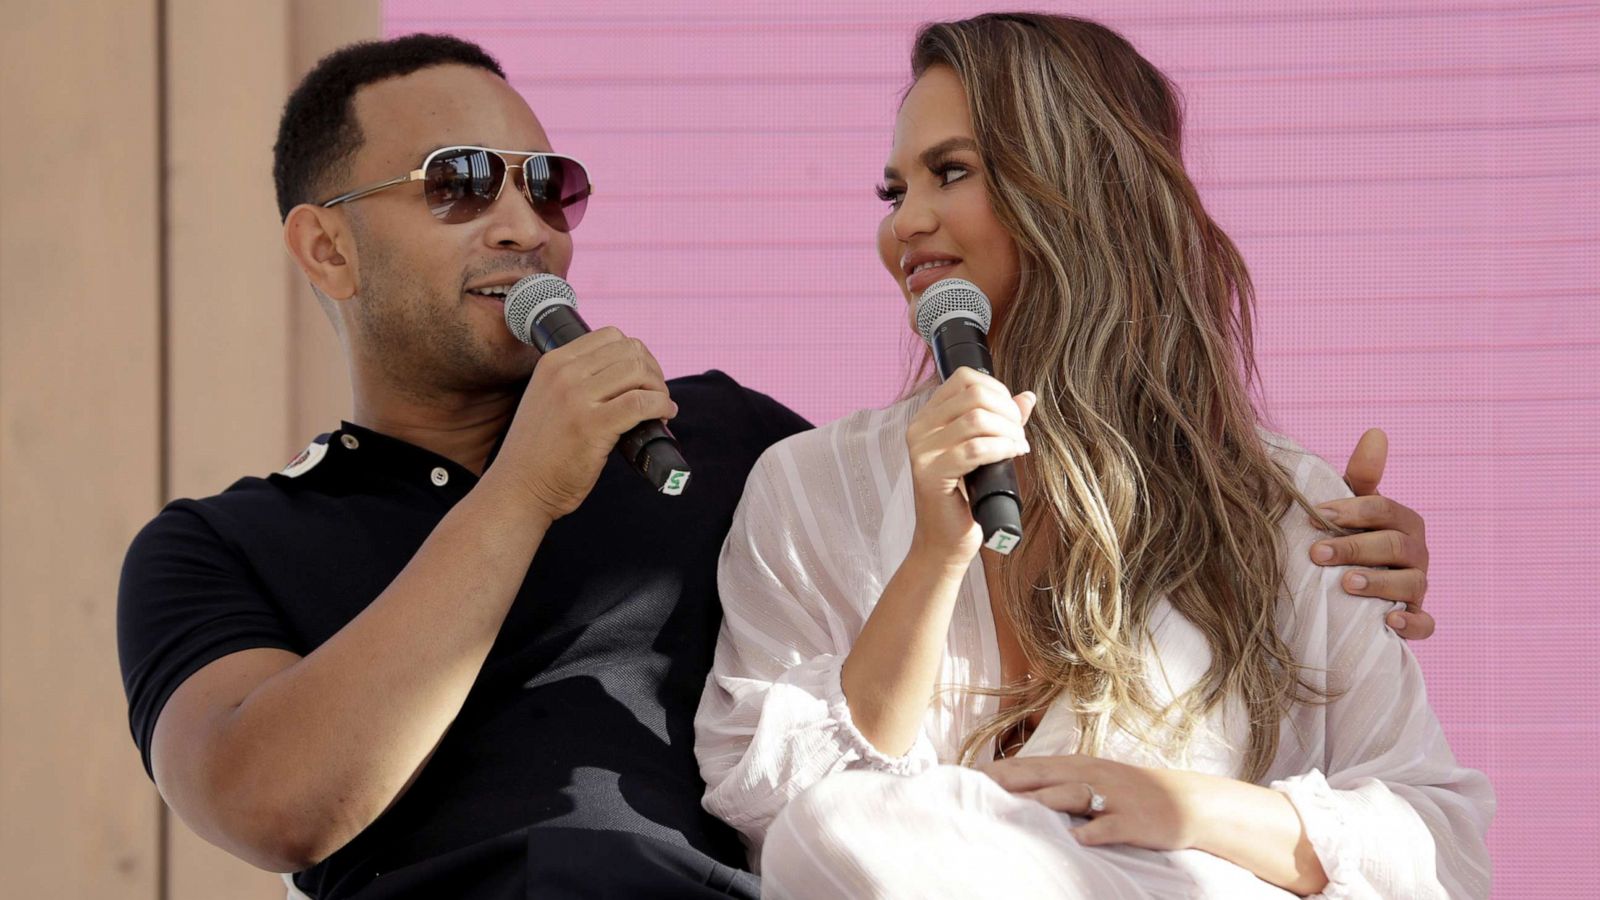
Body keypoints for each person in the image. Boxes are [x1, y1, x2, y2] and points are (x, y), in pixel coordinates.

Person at [117, 31, 1436, 900]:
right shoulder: (223, 546)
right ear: (327, 249)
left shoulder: (727, 444)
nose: (525, 224)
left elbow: (1011, 485)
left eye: (550, 184)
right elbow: (272, 803)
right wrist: (527, 484)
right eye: (461, 184)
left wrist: (1320, 534)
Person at [694, 13, 1490, 900]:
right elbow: (782, 824)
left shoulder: (1283, 504)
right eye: (894, 192)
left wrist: (1181, 810)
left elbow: (1438, 847)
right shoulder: (806, 488)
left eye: (951, 172)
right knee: (839, 828)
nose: (908, 223)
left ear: (1078, 186)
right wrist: (931, 558)